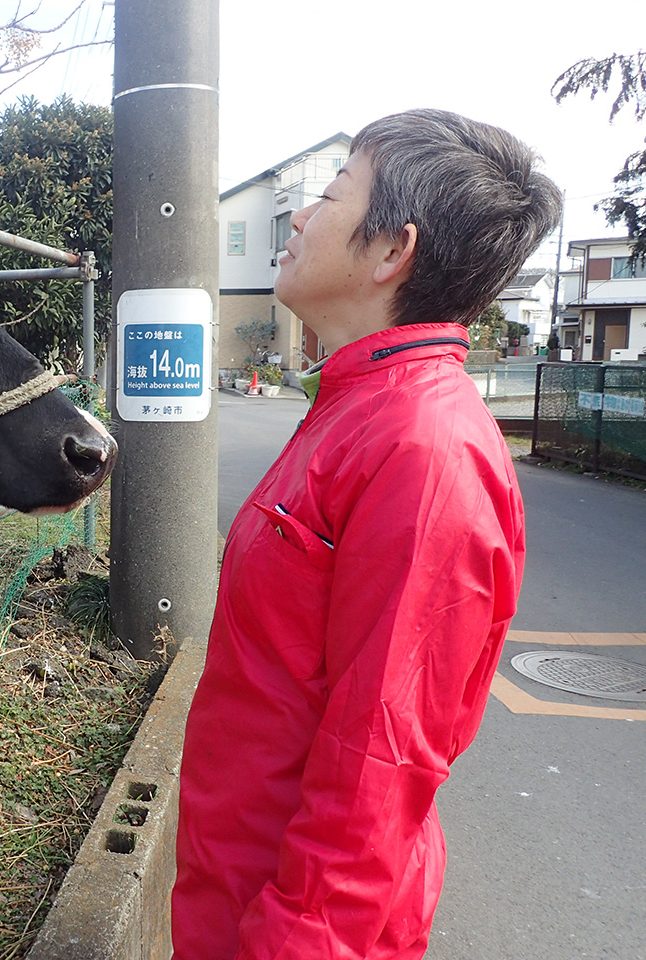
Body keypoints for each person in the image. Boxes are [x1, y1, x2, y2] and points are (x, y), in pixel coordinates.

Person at [171, 108, 563, 960]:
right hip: (235, 890)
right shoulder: (360, 407)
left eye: (328, 194)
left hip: (292, 926)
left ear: (393, 252)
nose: (302, 218)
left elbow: (378, 764)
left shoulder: (423, 448)